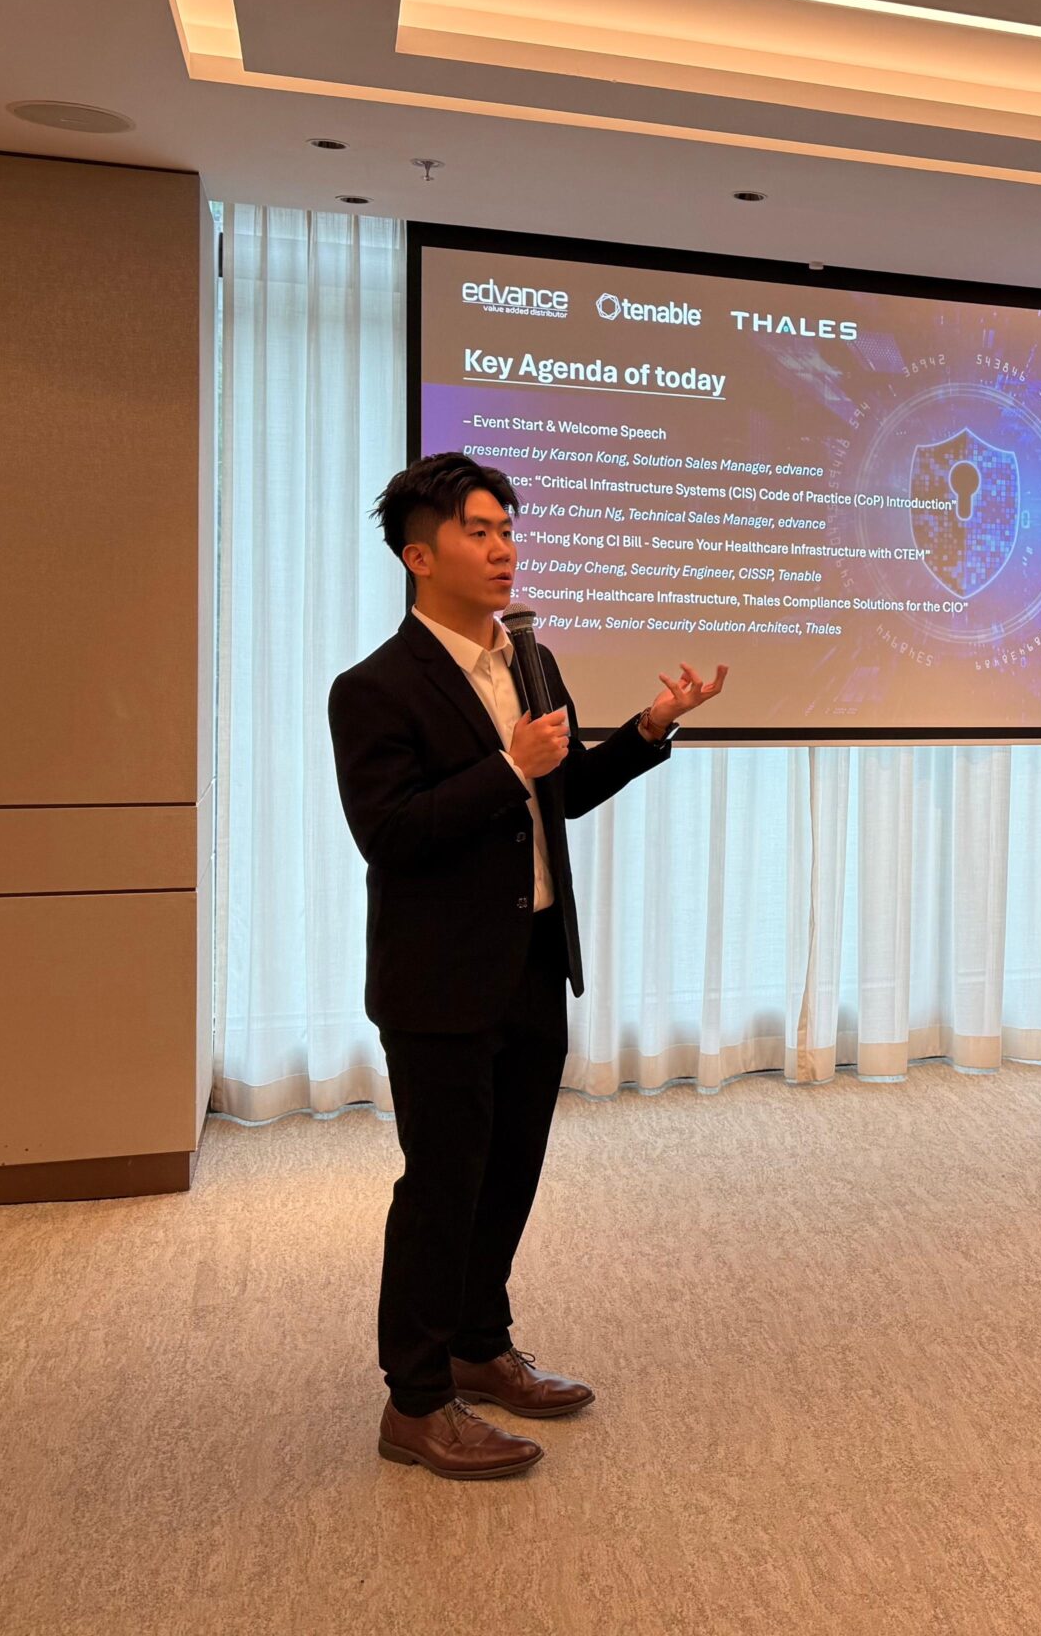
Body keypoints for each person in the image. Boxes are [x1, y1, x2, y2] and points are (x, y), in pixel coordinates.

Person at [328, 452, 726, 1480]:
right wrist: (508, 766)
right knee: (442, 1185)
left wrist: (648, 731)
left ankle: (478, 1342)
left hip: (533, 961)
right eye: (479, 530)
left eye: (507, 528)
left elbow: (564, 793)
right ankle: (416, 1403)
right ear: (420, 557)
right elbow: (391, 834)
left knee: (508, 1172)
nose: (504, 548)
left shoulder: (531, 663)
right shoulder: (372, 689)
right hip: (438, 981)